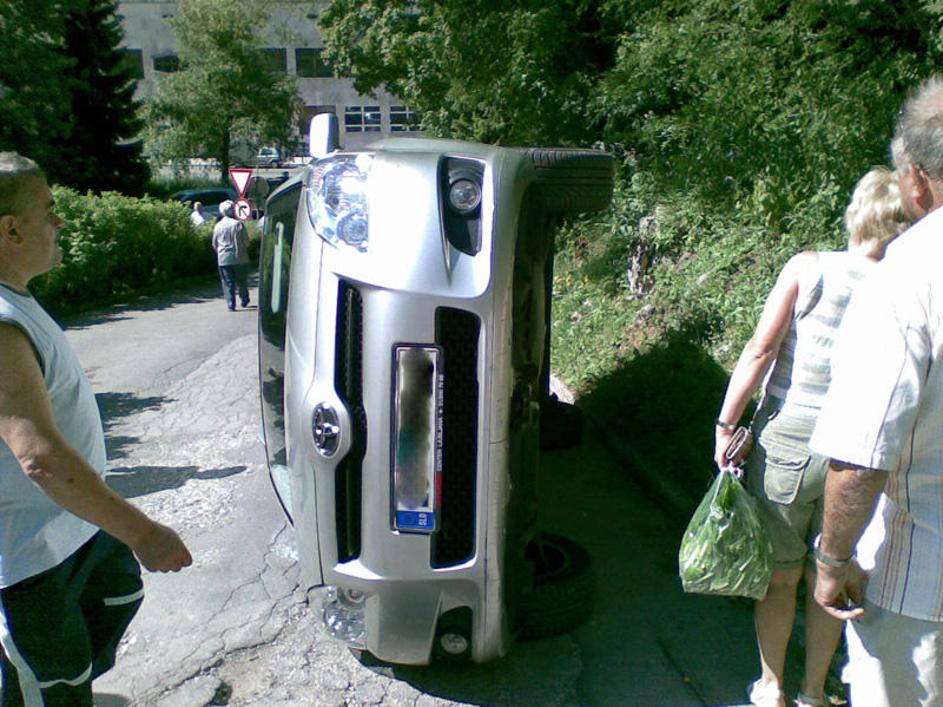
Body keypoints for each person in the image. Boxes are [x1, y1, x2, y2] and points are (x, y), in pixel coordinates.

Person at [0, 152, 193, 705]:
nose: (60, 222)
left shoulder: (16, 302)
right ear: (11, 230)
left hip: (74, 530)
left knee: (117, 599)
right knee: (52, 690)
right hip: (29, 558)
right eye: (48, 211)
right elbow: (39, 457)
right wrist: (143, 532)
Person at [714, 166, 909, 707]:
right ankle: (814, 692)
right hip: (863, 445)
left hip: (792, 438)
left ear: (858, 213)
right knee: (832, 568)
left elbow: (761, 350)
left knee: (779, 576)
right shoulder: (905, 285)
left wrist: (727, 424)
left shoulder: (810, 268)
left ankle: (771, 686)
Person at [810, 75, 943, 707]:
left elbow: (862, 455)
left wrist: (831, 562)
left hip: (922, 589)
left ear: (915, 179)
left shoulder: (908, 276)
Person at [211, 200, 250, 311]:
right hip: (240, 257)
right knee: (242, 281)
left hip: (223, 258)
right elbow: (246, 242)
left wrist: (221, 252)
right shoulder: (238, 224)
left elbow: (214, 244)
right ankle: (244, 299)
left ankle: (231, 303)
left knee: (228, 282)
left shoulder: (217, 226)